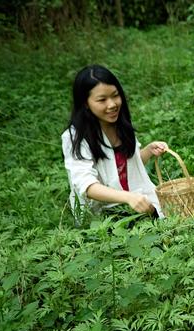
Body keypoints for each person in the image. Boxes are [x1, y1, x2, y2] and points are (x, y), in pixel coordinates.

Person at [62, 64, 168, 220]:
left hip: (134, 200)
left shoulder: (120, 125)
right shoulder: (75, 137)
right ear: (85, 103)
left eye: (115, 95)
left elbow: (128, 165)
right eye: (102, 100)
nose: (112, 104)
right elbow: (87, 186)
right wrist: (128, 197)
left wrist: (149, 151)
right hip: (103, 212)